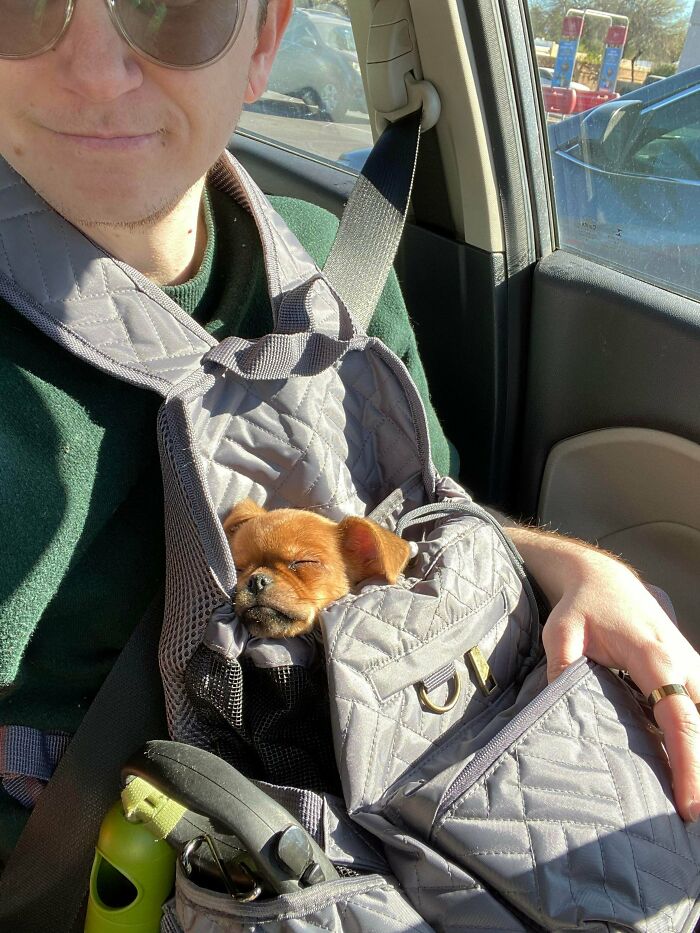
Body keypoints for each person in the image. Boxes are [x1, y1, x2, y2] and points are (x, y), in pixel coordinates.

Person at [0, 0, 698, 871]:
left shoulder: (335, 275)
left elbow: (419, 530)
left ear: (262, 41)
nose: (98, 71)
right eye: (28, 7)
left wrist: (576, 566)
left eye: (172, 8)